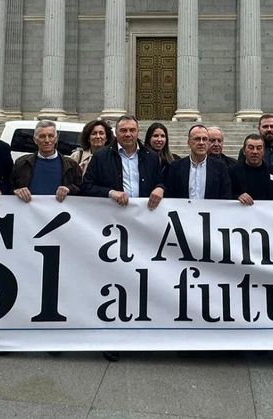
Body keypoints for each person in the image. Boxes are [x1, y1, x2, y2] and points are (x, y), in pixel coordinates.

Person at [82, 115, 166, 361]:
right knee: (114, 283)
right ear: (116, 133)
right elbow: (87, 186)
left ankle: (141, 335)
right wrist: (110, 192)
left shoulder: (152, 157)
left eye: (132, 130)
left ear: (138, 132)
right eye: (123, 130)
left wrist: (161, 187)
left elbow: (163, 181)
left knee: (142, 281)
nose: (128, 134)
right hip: (112, 230)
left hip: (144, 230)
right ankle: (111, 338)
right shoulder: (101, 157)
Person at [12, 120, 82, 202]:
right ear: (35, 140)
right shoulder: (21, 163)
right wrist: (16, 191)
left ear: (56, 139)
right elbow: (10, 187)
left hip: (60, 209)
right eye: (42, 136)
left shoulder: (72, 165)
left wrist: (69, 189)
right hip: (28, 209)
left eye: (51, 136)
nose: (47, 140)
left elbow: (81, 189)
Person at [164, 124, 231, 200]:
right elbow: (170, 195)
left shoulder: (220, 167)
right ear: (188, 142)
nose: (201, 143)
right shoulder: (176, 167)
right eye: (197, 139)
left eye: (205, 139)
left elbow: (225, 196)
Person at [230, 133, 273, 204]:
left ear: (264, 151)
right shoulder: (232, 172)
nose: (255, 152)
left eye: (259, 148)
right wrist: (237, 196)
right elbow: (226, 193)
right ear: (244, 151)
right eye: (251, 148)